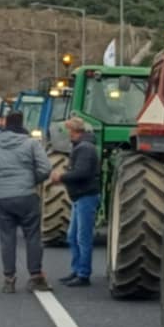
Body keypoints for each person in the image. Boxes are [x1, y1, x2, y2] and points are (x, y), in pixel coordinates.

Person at [0, 111, 51, 293]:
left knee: (7, 239)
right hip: (27, 196)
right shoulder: (31, 143)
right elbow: (46, 167)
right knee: (33, 237)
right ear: (22, 123)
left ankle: (9, 279)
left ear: (4, 124)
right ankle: (35, 276)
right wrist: (32, 180)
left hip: (2, 199)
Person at [50, 116, 100, 287]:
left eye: (69, 131)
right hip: (79, 196)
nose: (67, 135)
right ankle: (77, 269)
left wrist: (61, 176)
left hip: (86, 196)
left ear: (75, 131)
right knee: (72, 236)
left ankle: (83, 273)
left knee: (82, 237)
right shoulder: (82, 147)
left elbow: (83, 172)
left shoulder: (85, 149)